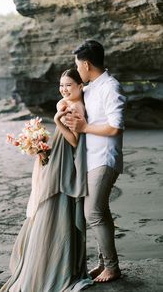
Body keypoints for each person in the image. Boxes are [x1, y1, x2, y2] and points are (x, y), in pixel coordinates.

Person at [0, 69, 93, 292]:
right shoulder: (68, 103)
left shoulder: (76, 107)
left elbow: (74, 140)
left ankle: (52, 266)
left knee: (53, 206)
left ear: (80, 86)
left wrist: (58, 121)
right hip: (58, 160)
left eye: (69, 84)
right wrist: (40, 146)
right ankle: (50, 263)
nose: (64, 89)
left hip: (67, 163)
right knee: (50, 206)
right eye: (61, 85)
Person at [65, 40, 126, 283]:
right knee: (101, 212)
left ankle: (112, 267)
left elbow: (115, 127)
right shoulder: (90, 89)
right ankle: (104, 264)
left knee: (93, 212)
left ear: (87, 64)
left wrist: (85, 127)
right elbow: (70, 96)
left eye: (78, 66)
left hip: (105, 159)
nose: (77, 70)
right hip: (90, 160)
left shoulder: (111, 88)